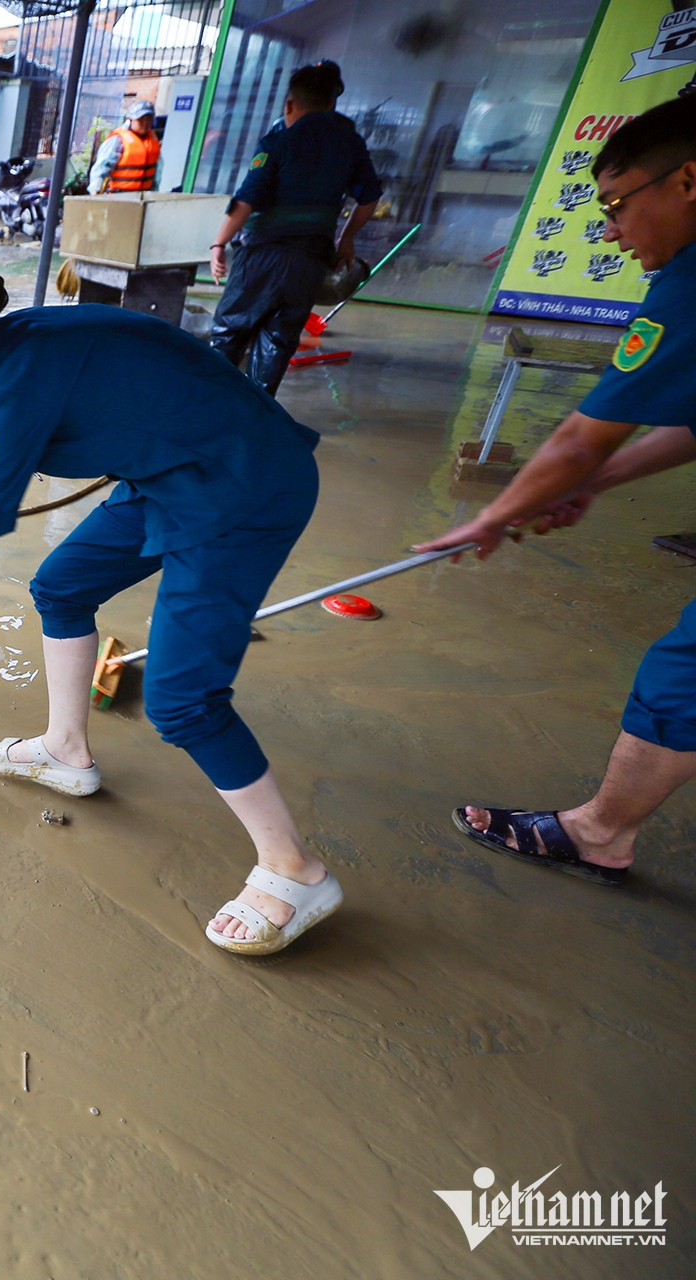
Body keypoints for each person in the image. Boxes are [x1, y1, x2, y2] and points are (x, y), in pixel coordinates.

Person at [0, 270, 338, 956]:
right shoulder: (6, 350)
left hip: (240, 484)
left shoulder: (13, 381)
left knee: (183, 701)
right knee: (62, 586)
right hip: (174, 471)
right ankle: (66, 748)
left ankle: (295, 869)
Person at [417, 96, 696, 887]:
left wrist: (491, 518)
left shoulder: (689, 283)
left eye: (616, 204)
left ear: (687, 181)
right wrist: (590, 485)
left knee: (683, 678)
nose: (610, 229)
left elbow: (579, 436)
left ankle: (600, 834)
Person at [207, 62, 381, 394]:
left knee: (229, 335)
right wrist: (346, 241)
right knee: (278, 342)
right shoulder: (351, 145)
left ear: (289, 104)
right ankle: (256, 419)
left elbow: (245, 201)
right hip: (309, 262)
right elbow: (369, 199)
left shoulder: (278, 142)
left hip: (261, 256)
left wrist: (219, 243)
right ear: (332, 103)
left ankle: (208, 411)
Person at [87, 100, 159, 194]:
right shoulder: (118, 139)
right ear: (131, 119)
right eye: (141, 119)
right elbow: (101, 167)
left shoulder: (153, 139)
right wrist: (95, 190)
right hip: (118, 196)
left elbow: (156, 170)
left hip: (143, 196)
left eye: (148, 119)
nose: (145, 123)